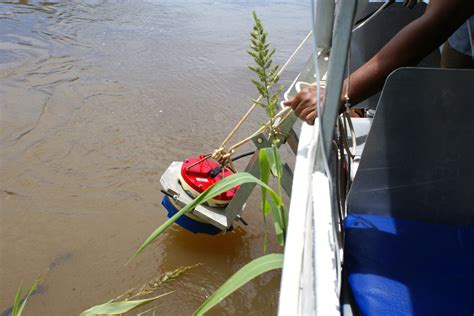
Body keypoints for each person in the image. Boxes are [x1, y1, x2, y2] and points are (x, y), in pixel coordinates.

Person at [284, 0, 474, 125]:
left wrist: (339, 94)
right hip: (462, 39)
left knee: (459, 119)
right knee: (454, 112)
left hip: (458, 32)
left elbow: (436, 24)